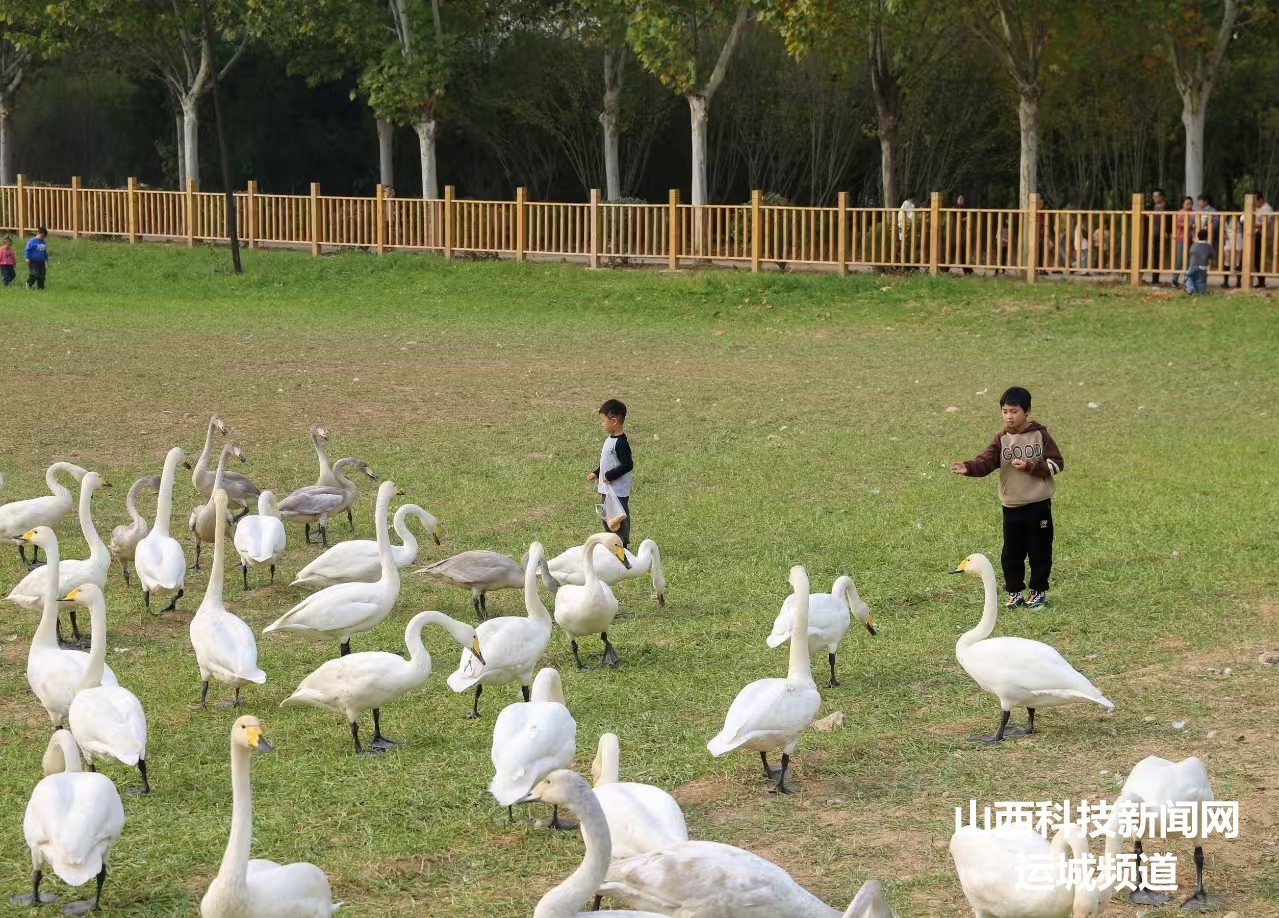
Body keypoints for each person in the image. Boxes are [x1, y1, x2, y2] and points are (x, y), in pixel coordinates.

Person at [951, 386, 1064, 609]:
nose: (1009, 417)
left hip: (1038, 505)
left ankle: (1038, 592)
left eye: (1014, 411)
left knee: (1040, 551)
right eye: (1005, 412)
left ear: (1027, 411)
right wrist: (969, 467)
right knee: (1011, 553)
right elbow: (986, 461)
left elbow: (1057, 464)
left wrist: (1031, 466)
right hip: (1012, 506)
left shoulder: (1040, 435)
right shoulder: (1002, 439)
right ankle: (1014, 593)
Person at [588, 399, 634, 548]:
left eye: (603, 421)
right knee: (608, 519)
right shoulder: (610, 440)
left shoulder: (621, 443)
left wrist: (610, 475)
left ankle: (622, 547)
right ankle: (611, 545)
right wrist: (597, 473)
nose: (602, 424)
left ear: (614, 421)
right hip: (607, 490)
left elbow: (627, 464)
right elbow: (608, 462)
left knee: (619, 519)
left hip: (617, 492)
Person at [1171, 196, 1194, 288]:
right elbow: (1178, 223)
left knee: (1190, 260)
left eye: (1190, 203)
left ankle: (1187, 279)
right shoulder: (1180, 213)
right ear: (1183, 204)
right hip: (1181, 239)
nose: (1188, 205)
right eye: (1186, 204)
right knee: (1179, 260)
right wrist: (1188, 225)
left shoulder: (1195, 213)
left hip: (1192, 239)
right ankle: (1174, 279)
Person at [1149, 187, 1169, 285]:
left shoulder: (1167, 207)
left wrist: (1167, 231)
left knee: (1159, 256)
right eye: (1153, 196)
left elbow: (1170, 220)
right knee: (1153, 256)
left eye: (1156, 196)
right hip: (1152, 234)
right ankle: (1153, 278)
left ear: (1162, 197)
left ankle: (1156, 279)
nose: (1155, 198)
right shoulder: (1150, 206)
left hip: (1163, 234)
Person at [1185, 227, 1213, 296]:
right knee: (1201, 281)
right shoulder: (1208, 246)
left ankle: (1190, 288)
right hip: (1203, 266)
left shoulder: (1194, 245)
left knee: (1189, 276)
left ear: (1198, 236)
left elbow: (1191, 253)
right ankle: (1201, 292)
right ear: (1206, 237)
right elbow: (1212, 256)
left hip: (1193, 264)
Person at [1254, 190, 1273, 288]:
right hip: (1255, 235)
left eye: (1255, 201)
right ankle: (1260, 280)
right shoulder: (1255, 208)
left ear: (1260, 199)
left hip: (1263, 236)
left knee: (1260, 258)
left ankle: (1262, 281)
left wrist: (1254, 224)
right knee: (1256, 258)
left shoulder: (1267, 209)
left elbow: (1266, 223)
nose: (1255, 203)